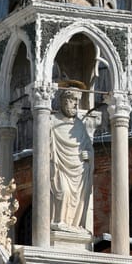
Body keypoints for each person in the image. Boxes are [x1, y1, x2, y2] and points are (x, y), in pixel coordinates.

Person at [50, 87, 95, 231]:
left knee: (80, 197)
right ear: (63, 102)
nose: (76, 105)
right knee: (63, 192)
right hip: (60, 167)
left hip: (79, 170)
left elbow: (88, 146)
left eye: (77, 101)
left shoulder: (80, 126)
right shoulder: (51, 121)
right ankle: (58, 221)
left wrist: (89, 155)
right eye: (72, 100)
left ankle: (76, 224)